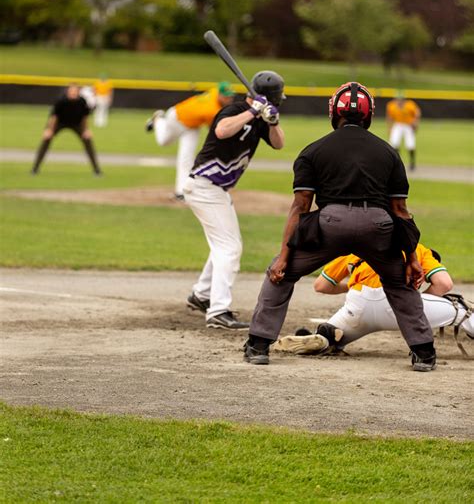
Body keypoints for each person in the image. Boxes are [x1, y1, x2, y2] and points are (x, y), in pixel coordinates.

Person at [245, 81, 436, 371]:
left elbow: (300, 207)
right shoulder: (388, 153)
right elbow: (400, 211)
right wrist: (411, 260)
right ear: (368, 115)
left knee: (280, 276)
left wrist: (284, 258)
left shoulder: (314, 150)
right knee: (400, 283)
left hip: (330, 224)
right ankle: (424, 353)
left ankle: (258, 345)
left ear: (334, 113)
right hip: (379, 227)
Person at [184, 71, 285, 330]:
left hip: (216, 190)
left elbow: (279, 144)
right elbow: (222, 130)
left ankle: (201, 295)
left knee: (224, 244)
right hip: (204, 187)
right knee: (229, 248)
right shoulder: (235, 110)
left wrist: (272, 121)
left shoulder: (262, 117)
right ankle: (217, 311)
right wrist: (253, 112)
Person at [275, 244, 474, 354]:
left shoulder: (354, 250)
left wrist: (353, 284)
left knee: (331, 336)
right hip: (399, 303)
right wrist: (416, 311)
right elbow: (444, 284)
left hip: (357, 304)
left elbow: (321, 286)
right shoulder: (419, 250)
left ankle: (324, 339)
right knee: (463, 309)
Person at [145, 82, 236, 199]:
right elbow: (215, 131)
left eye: (230, 96)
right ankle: (158, 119)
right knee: (163, 141)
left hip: (193, 126)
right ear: (219, 95)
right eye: (226, 96)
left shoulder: (214, 92)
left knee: (186, 158)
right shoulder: (211, 109)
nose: (229, 99)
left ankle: (181, 192)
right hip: (178, 118)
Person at [31, 84, 102, 175]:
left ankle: (97, 170)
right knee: (46, 139)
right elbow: (54, 117)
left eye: (75, 91)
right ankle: (35, 169)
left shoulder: (82, 101)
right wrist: (49, 130)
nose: (73, 93)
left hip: (77, 124)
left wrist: (86, 130)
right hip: (60, 123)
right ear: (68, 92)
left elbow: (85, 117)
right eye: (71, 91)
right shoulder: (61, 101)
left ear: (78, 92)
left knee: (88, 140)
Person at [386, 93, 421, 170]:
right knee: (393, 143)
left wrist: (415, 123)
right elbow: (390, 117)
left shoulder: (410, 105)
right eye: (398, 100)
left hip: (408, 126)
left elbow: (417, 113)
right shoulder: (392, 105)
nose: (399, 102)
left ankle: (412, 163)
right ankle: (396, 162)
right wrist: (389, 127)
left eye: (401, 100)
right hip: (398, 125)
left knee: (410, 145)